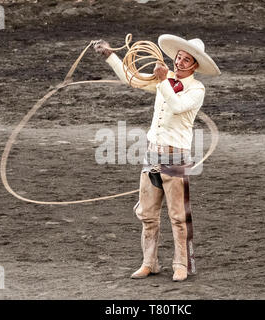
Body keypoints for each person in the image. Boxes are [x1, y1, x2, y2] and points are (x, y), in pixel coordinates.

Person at [94, 34, 220, 281]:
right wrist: (110, 55)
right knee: (148, 213)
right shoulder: (167, 80)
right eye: (179, 58)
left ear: (195, 66)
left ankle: (181, 264)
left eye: (186, 60)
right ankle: (149, 262)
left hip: (175, 156)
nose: (180, 62)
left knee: (178, 216)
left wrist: (163, 80)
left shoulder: (197, 89)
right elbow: (133, 79)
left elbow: (177, 106)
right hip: (152, 154)